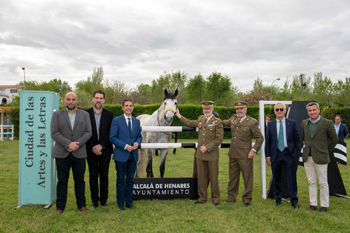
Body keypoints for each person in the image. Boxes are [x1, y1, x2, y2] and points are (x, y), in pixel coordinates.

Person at [50, 92, 92, 215]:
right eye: (68, 99)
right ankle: (60, 207)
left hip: (79, 153)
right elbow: (54, 132)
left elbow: (88, 132)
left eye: (73, 99)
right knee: (62, 181)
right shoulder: (57, 114)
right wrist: (68, 144)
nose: (71, 101)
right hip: (62, 153)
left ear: (77, 101)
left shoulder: (84, 115)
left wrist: (76, 144)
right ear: (65, 101)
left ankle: (81, 205)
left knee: (80, 181)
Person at [175, 101, 223, 206]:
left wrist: (207, 147)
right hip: (200, 155)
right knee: (201, 177)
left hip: (212, 154)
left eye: (208, 108)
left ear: (212, 109)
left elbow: (219, 139)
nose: (206, 110)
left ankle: (215, 199)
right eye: (205, 108)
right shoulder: (200, 119)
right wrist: (179, 115)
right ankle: (202, 198)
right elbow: (189, 123)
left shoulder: (217, 121)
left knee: (214, 178)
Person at [222, 101, 264, 206]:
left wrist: (253, 150)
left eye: (241, 109)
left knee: (247, 178)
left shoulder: (252, 122)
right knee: (233, 178)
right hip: (233, 153)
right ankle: (231, 198)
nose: (239, 111)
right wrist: (212, 121)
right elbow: (223, 123)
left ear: (245, 110)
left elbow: (260, 138)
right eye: (237, 109)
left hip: (246, 155)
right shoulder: (233, 119)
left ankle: (247, 199)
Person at [301, 102, 338, 212]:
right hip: (308, 157)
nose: (312, 112)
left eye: (314, 110)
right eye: (310, 111)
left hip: (321, 157)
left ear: (319, 110)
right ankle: (313, 204)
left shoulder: (327, 123)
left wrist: (325, 151)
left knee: (323, 182)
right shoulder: (304, 123)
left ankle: (324, 205)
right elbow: (304, 137)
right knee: (311, 182)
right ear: (308, 112)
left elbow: (334, 139)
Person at [265, 103, 300, 209]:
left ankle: (294, 200)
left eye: (281, 109)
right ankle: (277, 199)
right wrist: (268, 156)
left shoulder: (292, 123)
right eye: (277, 109)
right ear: (274, 111)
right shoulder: (270, 124)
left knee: (291, 178)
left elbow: (297, 139)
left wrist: (293, 152)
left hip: (288, 153)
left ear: (285, 111)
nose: (279, 111)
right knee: (276, 177)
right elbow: (268, 141)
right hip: (275, 153)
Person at [110, 99, 142, 211]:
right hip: (121, 155)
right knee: (120, 180)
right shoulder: (116, 120)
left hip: (133, 155)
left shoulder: (137, 121)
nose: (129, 107)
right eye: (126, 106)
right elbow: (112, 137)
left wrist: (137, 142)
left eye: (130, 105)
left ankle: (129, 202)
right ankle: (120, 203)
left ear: (133, 107)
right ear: (122, 107)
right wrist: (125, 146)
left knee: (130, 180)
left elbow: (139, 136)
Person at [86, 91, 114, 208]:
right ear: (93, 99)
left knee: (104, 175)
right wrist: (93, 146)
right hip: (90, 150)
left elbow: (110, 132)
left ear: (104, 100)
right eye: (96, 98)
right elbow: (85, 132)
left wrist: (101, 145)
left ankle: (103, 200)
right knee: (93, 175)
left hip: (105, 150)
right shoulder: (85, 114)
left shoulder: (109, 114)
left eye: (101, 98)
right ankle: (94, 201)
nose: (98, 100)